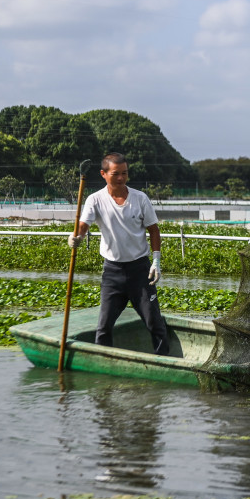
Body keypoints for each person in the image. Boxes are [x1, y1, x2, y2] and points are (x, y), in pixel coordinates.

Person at [67, 152, 169, 356]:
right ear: (103, 174)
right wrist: (75, 237)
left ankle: (164, 360)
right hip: (112, 272)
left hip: (140, 270)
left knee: (154, 321)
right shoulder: (95, 199)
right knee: (103, 326)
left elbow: (154, 230)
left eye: (125, 173)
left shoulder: (140, 198)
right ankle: (104, 365)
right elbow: (83, 225)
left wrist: (156, 261)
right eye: (116, 174)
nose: (121, 178)